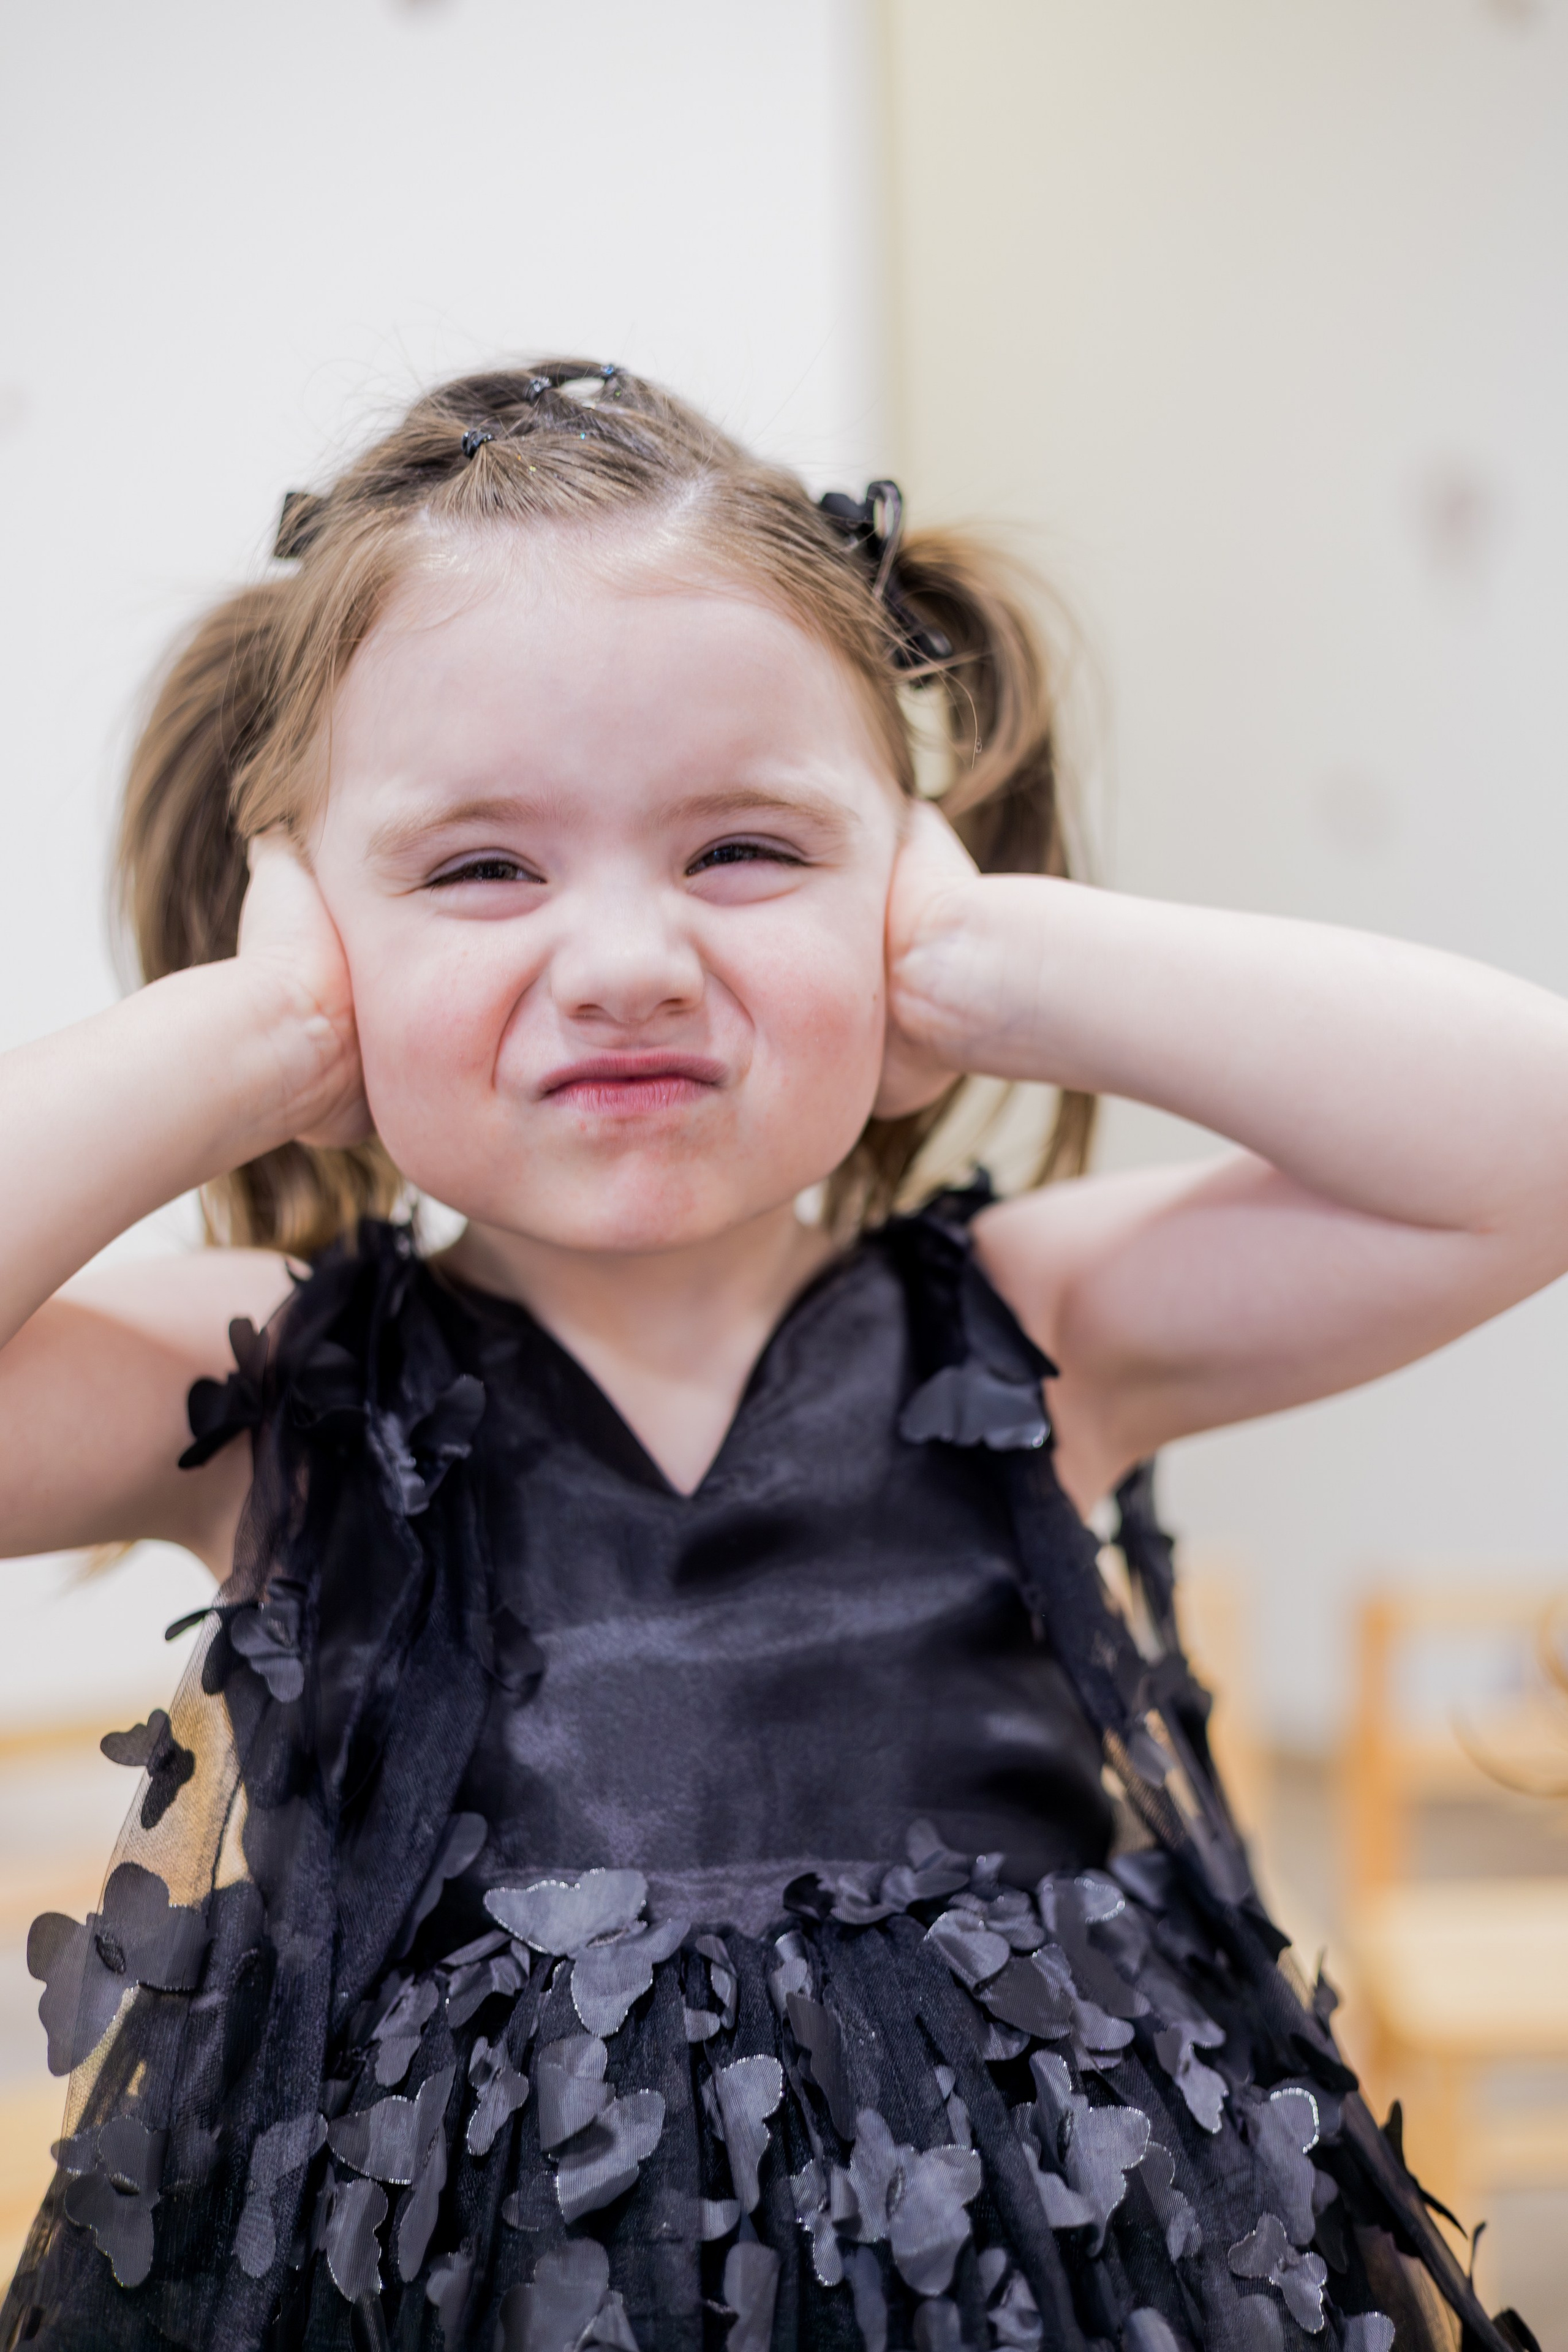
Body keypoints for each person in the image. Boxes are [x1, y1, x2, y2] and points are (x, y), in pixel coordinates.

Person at [0, 363, 1557, 2352]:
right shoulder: (261, 1387)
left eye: (746, 852)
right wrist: (269, 1032)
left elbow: (1531, 1150)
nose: (630, 956)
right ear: (314, 921)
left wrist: (990, 965)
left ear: (901, 884)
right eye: (481, 868)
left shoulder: (1037, 1331)